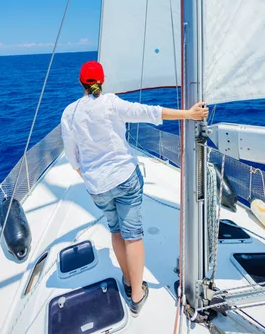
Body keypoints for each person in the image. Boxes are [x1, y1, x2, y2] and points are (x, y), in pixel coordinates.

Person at [60, 60, 209, 316]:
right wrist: (189, 114)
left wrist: (92, 178)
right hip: (124, 179)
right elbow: (149, 113)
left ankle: (129, 282)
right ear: (102, 81)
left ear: (81, 83)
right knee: (133, 236)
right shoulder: (110, 103)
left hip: (97, 187)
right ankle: (137, 296)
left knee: (116, 231)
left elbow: (73, 160)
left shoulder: (69, 113)